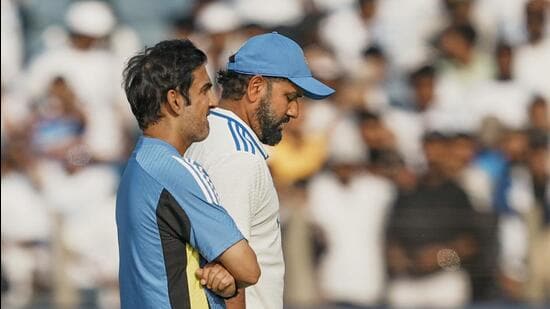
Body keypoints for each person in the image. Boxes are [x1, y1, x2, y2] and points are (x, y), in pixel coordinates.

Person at [185, 32, 335, 308]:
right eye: (290, 97)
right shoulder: (238, 156)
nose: (295, 112)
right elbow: (228, 270)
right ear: (255, 87)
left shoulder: (212, 136)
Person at [116, 39, 260, 309]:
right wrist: (229, 273)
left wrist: (223, 278)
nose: (214, 102)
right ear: (175, 100)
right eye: (205, 90)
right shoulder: (175, 172)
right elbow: (248, 269)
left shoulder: (138, 165)